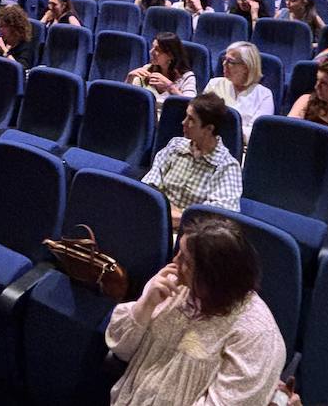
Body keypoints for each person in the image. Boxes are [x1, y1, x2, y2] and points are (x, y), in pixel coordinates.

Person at [106, 215, 284, 406]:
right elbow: (120, 349)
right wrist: (146, 304)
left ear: (213, 278)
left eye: (186, 261)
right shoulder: (173, 285)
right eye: (179, 252)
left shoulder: (256, 335)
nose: (175, 261)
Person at [141, 94, 240, 226]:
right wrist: (178, 214)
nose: (184, 122)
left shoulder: (227, 166)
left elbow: (217, 220)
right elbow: (149, 187)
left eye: (191, 119)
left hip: (193, 237)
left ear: (209, 129)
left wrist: (172, 214)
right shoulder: (175, 145)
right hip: (154, 220)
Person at [204, 42, 274, 144]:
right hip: (208, 142)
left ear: (246, 67)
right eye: (224, 59)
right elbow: (200, 117)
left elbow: (255, 134)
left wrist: (221, 127)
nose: (224, 64)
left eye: (230, 61)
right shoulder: (214, 84)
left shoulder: (264, 95)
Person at [127, 32, 197, 117]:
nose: (151, 52)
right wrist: (129, 78)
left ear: (171, 55)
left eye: (157, 50)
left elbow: (192, 106)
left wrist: (170, 87)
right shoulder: (146, 70)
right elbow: (128, 99)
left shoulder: (187, 77)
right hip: (143, 118)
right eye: (152, 47)